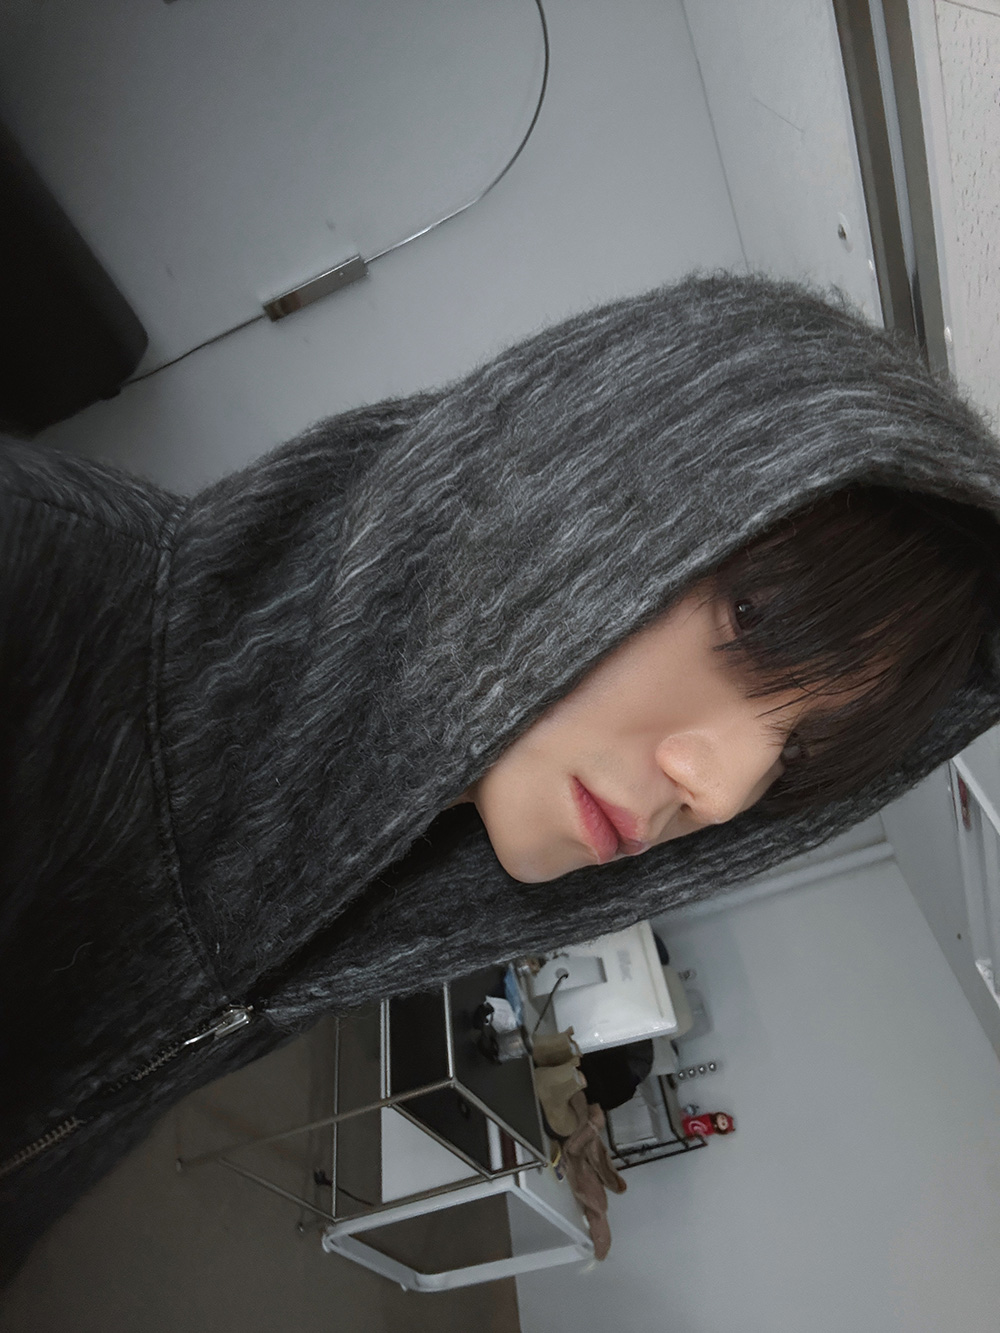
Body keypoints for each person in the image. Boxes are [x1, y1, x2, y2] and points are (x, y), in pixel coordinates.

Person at [2, 272, 999, 1280]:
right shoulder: (36, 584)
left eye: (795, 754)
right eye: (753, 621)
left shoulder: (332, 908)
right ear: (567, 472)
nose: (727, 791)